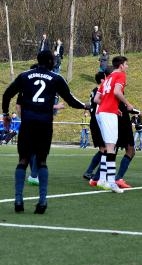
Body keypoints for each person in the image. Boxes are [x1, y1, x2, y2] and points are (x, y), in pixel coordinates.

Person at [2, 50, 89, 214]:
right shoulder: (56, 78)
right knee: (41, 161)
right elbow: (70, 100)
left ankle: (18, 200)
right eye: (54, 60)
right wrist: (86, 105)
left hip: (27, 124)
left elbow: (7, 94)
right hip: (44, 125)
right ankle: (42, 201)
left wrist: (6, 114)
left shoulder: (24, 76)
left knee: (23, 160)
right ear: (50, 61)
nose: (55, 62)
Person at [94, 56, 135, 194]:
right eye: (126, 64)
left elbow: (97, 99)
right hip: (107, 114)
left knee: (107, 147)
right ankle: (112, 182)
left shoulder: (107, 78)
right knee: (111, 147)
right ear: (122, 65)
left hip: (101, 112)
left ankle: (102, 180)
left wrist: (111, 107)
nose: (127, 67)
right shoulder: (120, 75)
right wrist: (127, 104)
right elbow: (117, 92)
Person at [83, 71, 107, 183]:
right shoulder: (100, 91)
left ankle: (91, 171)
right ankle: (95, 173)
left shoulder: (94, 90)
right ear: (103, 80)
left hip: (95, 121)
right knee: (104, 149)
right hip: (98, 121)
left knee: (103, 149)